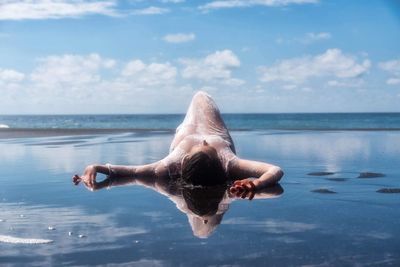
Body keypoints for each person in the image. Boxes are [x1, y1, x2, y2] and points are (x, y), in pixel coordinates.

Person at [73, 91, 284, 200]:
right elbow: (275, 170)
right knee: (202, 96)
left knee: (201, 227)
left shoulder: (169, 165)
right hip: (213, 129)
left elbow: (132, 172)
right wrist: (256, 185)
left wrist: (96, 167)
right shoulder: (228, 161)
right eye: (206, 146)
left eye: (200, 147)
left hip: (186, 132)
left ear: (184, 161)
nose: (203, 141)